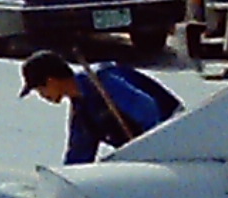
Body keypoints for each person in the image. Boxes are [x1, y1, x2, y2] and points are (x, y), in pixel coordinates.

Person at [22, 48, 183, 165]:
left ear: (51, 81)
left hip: (176, 134)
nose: (42, 96)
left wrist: (147, 148)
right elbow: (80, 153)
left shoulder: (102, 81)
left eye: (40, 90)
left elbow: (147, 109)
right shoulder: (82, 107)